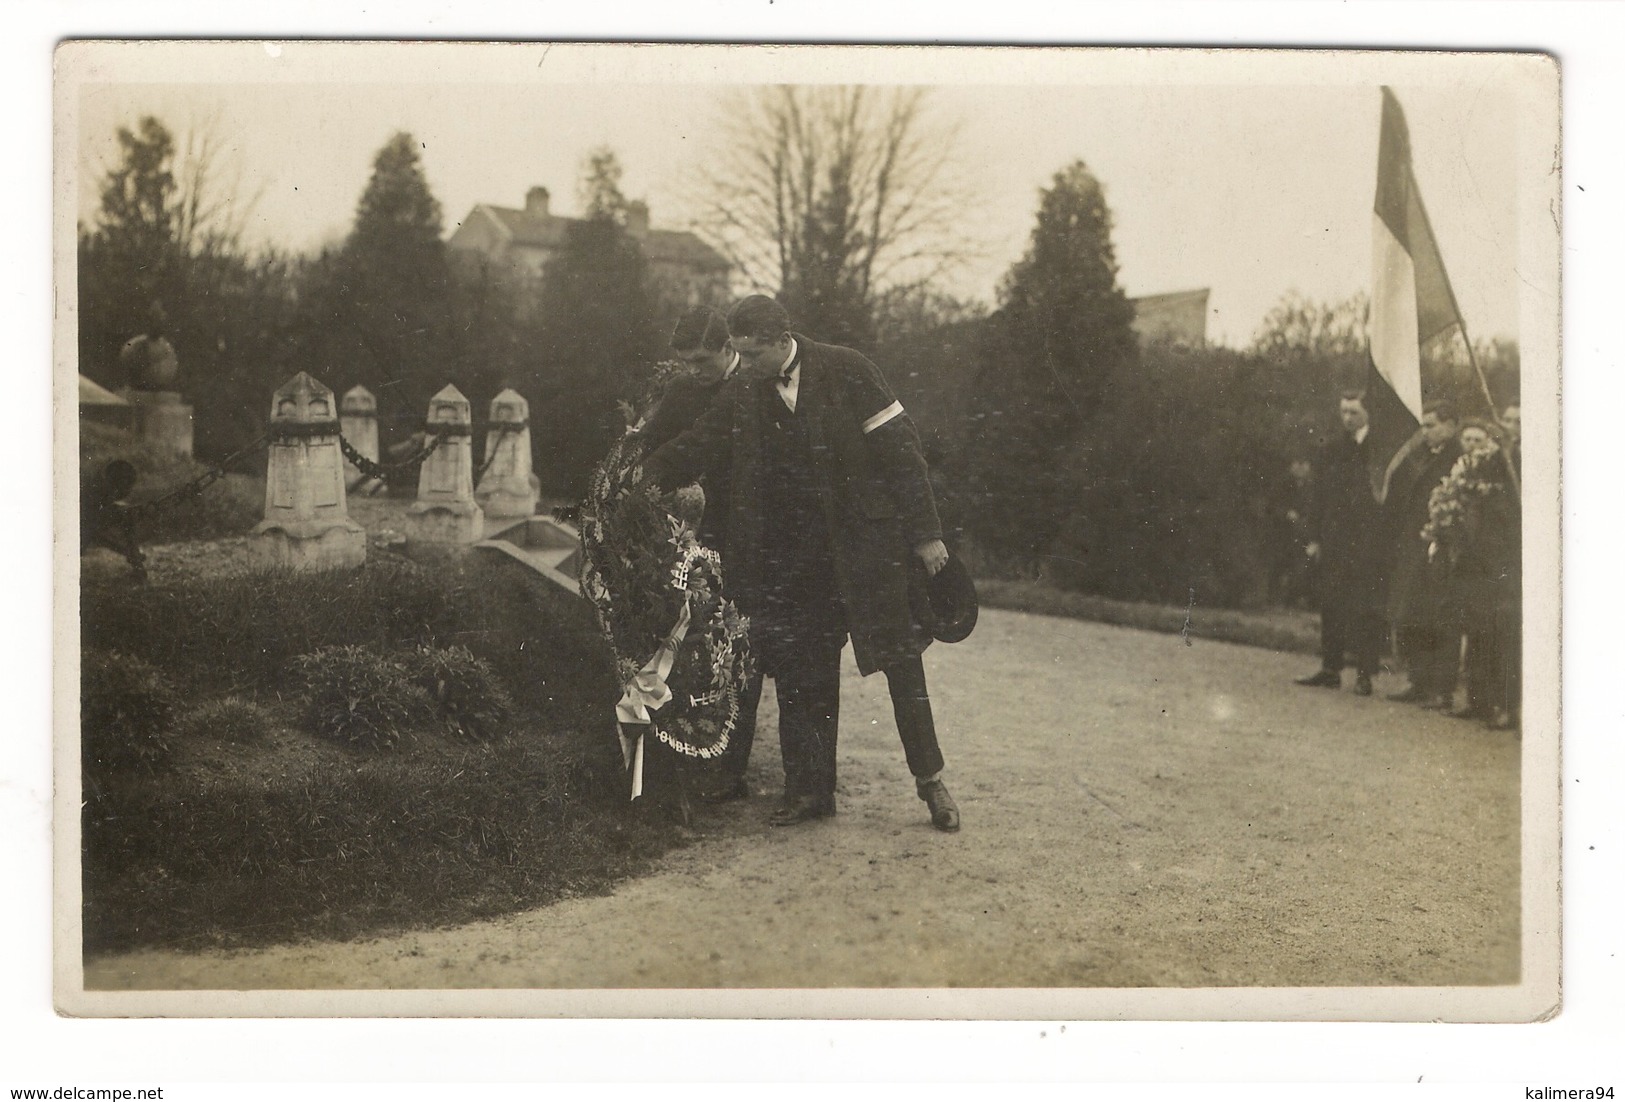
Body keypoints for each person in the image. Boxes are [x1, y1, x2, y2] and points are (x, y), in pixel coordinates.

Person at [644, 295, 962, 832]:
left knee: (902, 665)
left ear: (780, 339)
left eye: (753, 354)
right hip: (798, 563)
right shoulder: (746, 389)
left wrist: (927, 537)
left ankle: (933, 785)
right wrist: (639, 477)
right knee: (804, 674)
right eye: (738, 354)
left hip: (865, 552)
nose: (744, 366)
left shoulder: (848, 369)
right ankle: (812, 792)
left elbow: (902, 454)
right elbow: (698, 442)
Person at [634, 306, 761, 802]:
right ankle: (689, 757)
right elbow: (655, 448)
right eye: (685, 362)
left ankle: (730, 770)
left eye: (702, 361)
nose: (693, 371)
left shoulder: (753, 388)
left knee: (741, 646)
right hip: (692, 538)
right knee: (693, 647)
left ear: (730, 349)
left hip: (748, 534)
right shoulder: (684, 390)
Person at [1295, 392, 1386, 695]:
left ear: (1368, 413)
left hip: (1370, 542)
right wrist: (1315, 538)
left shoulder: (1381, 451)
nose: (1347, 418)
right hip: (1335, 539)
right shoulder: (1332, 449)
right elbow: (1318, 496)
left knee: (1365, 608)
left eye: (1354, 412)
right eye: (1344, 412)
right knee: (1332, 603)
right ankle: (1330, 667)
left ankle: (1365, 673)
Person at [1432, 421, 1521, 729]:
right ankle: (1476, 700)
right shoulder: (1462, 472)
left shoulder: (1502, 472)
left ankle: (1498, 703)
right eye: (1467, 439)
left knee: (1492, 634)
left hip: (1493, 564)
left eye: (1478, 440)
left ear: (1491, 444)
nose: (1472, 445)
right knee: (1472, 629)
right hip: (1468, 562)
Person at [1383, 401, 1463, 709]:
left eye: (1432, 425)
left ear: (1450, 425)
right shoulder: (1423, 456)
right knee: (1413, 613)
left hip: (1442, 547)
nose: (1425, 432)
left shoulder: (1459, 458)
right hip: (1416, 543)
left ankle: (1441, 689)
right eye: (1424, 425)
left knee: (1440, 619)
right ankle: (1419, 680)